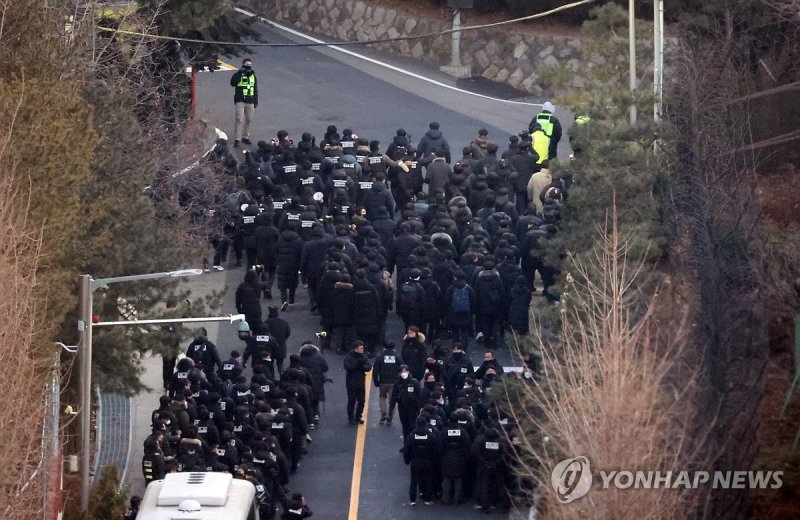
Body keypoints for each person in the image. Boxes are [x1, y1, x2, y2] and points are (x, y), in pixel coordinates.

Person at [403, 415, 441, 505]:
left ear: (417, 423)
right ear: (426, 423)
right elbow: (435, 449)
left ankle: (412, 500)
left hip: (415, 461)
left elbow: (407, 449)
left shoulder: (412, 435)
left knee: (414, 481)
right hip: (428, 461)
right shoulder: (431, 435)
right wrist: (435, 461)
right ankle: (428, 499)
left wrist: (407, 460)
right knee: (428, 480)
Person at [230, 58, 258, 147]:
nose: (248, 66)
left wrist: (255, 101)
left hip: (250, 101)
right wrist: (239, 73)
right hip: (240, 100)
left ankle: (245, 137)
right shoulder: (238, 75)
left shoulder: (253, 76)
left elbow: (255, 89)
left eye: (250, 64)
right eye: (246, 64)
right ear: (243, 65)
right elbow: (232, 83)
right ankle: (237, 139)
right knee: (239, 119)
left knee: (249, 119)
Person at [343, 341, 372, 425]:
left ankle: (358, 416)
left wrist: (362, 366)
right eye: (361, 348)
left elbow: (369, 367)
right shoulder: (349, 357)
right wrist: (357, 365)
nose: (362, 349)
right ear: (356, 348)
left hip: (360, 383)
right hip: (351, 383)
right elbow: (348, 367)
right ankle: (351, 417)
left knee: (362, 401)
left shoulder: (363, 357)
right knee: (351, 401)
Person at [372, 341, 401, 425]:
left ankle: (383, 413)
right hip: (394, 382)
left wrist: (376, 381)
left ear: (384, 348)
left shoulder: (380, 357)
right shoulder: (397, 357)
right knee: (392, 400)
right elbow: (403, 368)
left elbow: (375, 370)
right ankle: (390, 417)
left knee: (382, 397)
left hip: (383, 381)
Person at [390, 365, 422, 439]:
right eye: (401, 371)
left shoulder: (414, 382)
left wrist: (419, 407)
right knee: (405, 426)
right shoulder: (397, 384)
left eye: (405, 371)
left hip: (413, 408)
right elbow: (394, 396)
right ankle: (406, 443)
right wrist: (391, 408)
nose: (403, 373)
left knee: (412, 426)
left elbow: (420, 395)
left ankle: (412, 443)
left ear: (408, 372)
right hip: (402, 408)